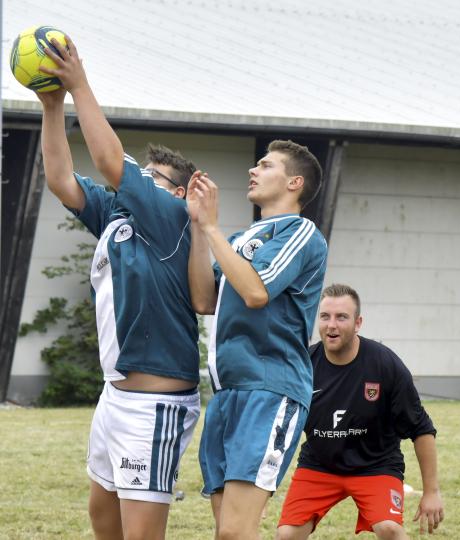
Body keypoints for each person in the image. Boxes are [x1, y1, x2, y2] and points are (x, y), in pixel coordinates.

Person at [36, 36, 200, 540]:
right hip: (115, 396)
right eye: (141, 175)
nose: (138, 181)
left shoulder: (172, 217)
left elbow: (109, 162)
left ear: (175, 193)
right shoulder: (119, 213)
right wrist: (52, 105)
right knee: (101, 518)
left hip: (154, 406)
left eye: (152, 178)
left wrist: (79, 84)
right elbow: (62, 178)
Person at [188, 140, 327, 539]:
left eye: (266, 165)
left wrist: (213, 229)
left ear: (294, 182)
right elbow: (203, 298)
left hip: (270, 389)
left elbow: (255, 292)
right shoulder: (237, 239)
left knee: (235, 532)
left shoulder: (300, 232)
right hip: (228, 393)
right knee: (226, 532)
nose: (253, 170)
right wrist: (201, 230)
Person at [276, 284, 443, 539]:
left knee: (389, 529)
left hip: (376, 466)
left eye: (341, 317)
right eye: (325, 317)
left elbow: (421, 429)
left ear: (358, 323)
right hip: (319, 465)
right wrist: (263, 490)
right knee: (286, 535)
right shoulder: (304, 366)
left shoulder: (385, 364)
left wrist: (431, 492)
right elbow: (280, 429)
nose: (331, 325)